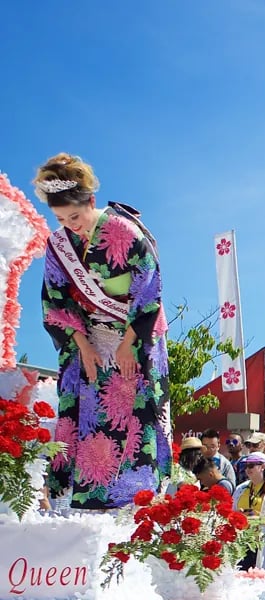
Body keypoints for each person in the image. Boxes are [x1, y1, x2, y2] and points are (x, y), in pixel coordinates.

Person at [35, 153, 172, 509]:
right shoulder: (58, 245)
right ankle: (82, 500)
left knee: (133, 412)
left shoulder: (124, 230)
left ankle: (134, 498)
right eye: (62, 219)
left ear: (91, 201)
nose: (71, 225)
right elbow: (55, 300)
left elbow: (149, 287)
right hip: (89, 341)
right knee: (88, 414)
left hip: (132, 337)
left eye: (75, 216)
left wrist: (129, 344)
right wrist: (82, 345)